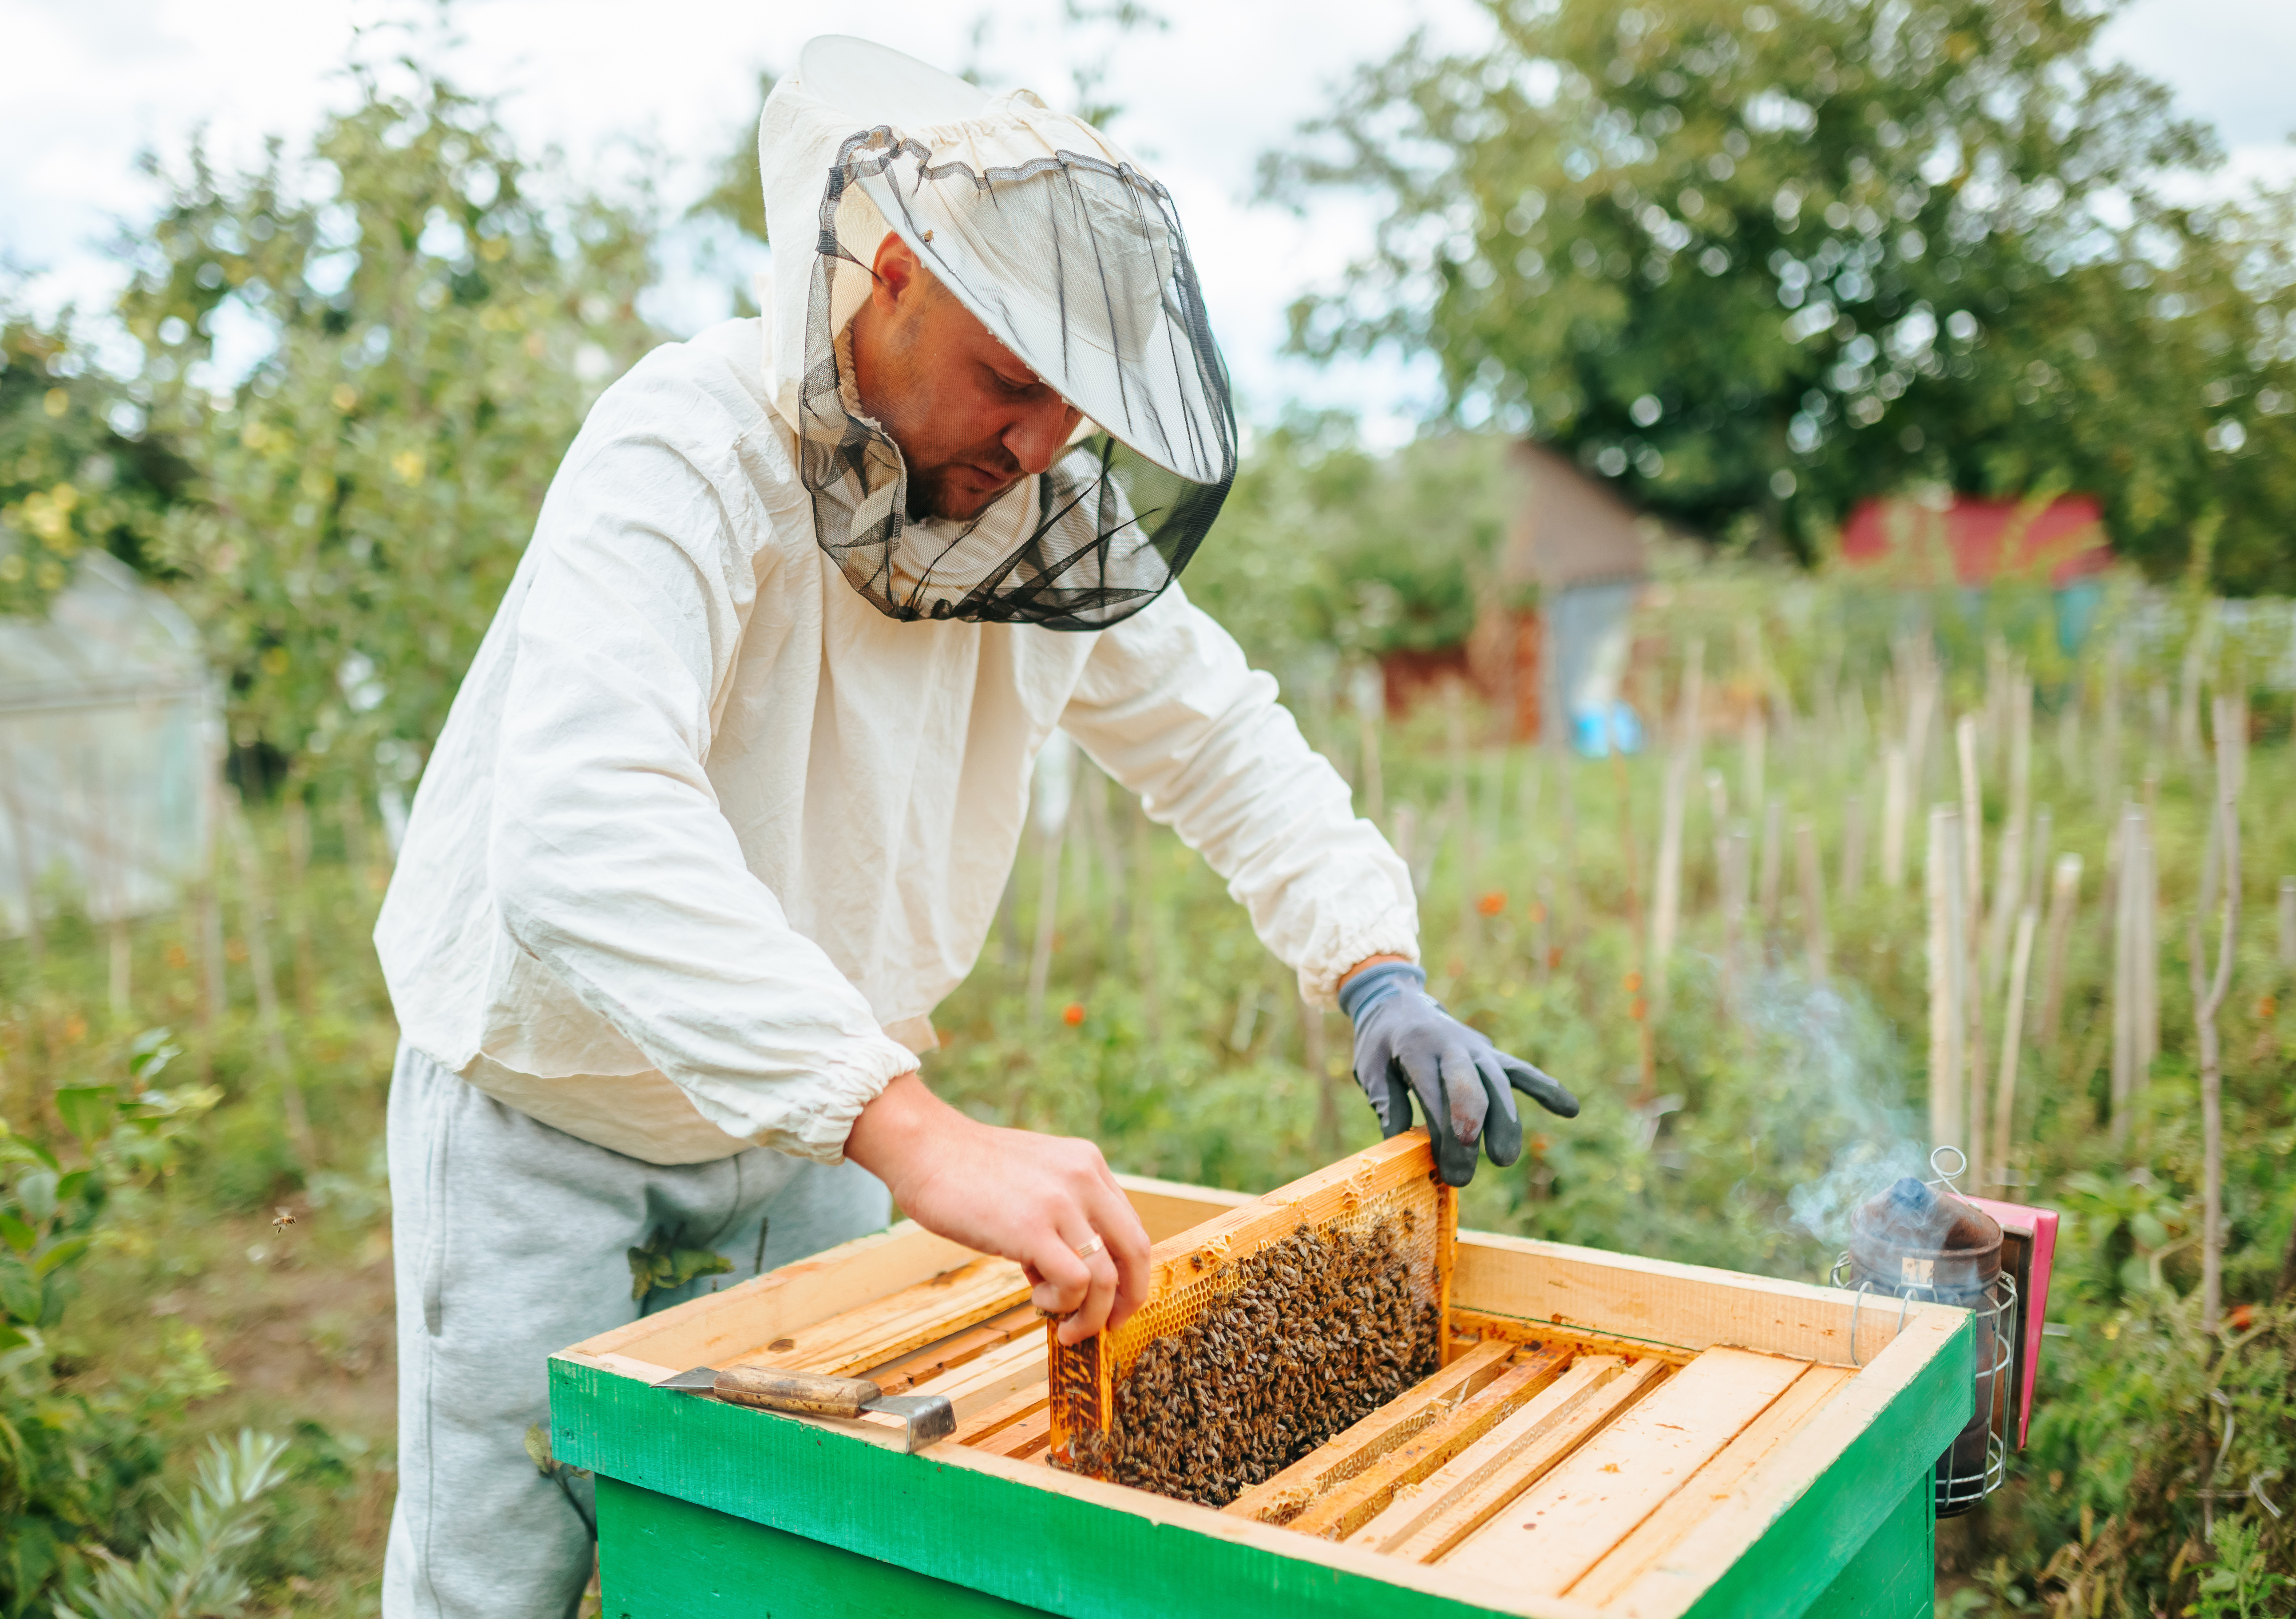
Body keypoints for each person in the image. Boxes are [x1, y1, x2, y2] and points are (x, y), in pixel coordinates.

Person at [372, 34, 1577, 1618]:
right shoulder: (685, 445)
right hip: (550, 1110)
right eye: (1013, 383)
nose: (1038, 443)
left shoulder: (1036, 513)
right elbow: (587, 826)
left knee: (795, 1572)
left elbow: (1219, 739)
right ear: (888, 281)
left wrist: (1374, 965)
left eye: (1072, 408)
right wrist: (921, 1134)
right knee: (494, 1581)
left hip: (805, 1130)